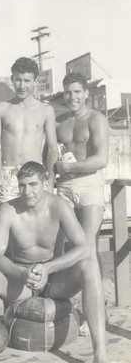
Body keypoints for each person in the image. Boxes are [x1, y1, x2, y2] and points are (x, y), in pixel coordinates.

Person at [0, 162, 111, 363]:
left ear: (46, 184)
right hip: (21, 282)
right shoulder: (8, 210)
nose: (27, 191)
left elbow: (84, 247)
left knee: (90, 267)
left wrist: (49, 267)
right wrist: (21, 273)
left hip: (55, 280)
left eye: (33, 184)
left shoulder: (59, 206)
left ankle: (100, 357)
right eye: (22, 185)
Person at [56, 72, 109, 336]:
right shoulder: (61, 124)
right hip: (64, 187)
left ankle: (95, 313)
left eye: (77, 91)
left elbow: (101, 159)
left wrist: (72, 167)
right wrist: (56, 167)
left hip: (89, 185)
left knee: (88, 247)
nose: (73, 97)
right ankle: (84, 305)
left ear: (86, 92)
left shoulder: (97, 119)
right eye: (68, 92)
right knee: (65, 248)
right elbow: (52, 160)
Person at [0, 57, 58, 202]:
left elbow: (52, 148)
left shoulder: (46, 110)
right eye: (18, 80)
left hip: (35, 174)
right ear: (12, 79)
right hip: (8, 175)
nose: (22, 85)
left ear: (35, 81)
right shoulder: (1, 108)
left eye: (27, 80)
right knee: (9, 220)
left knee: (37, 222)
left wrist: (50, 181)